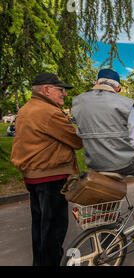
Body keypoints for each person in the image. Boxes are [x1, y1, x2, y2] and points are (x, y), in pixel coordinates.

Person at [71, 69, 134, 228]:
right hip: (123, 162)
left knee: (107, 196)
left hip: (95, 162)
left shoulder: (78, 102)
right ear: (117, 88)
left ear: (97, 83)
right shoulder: (125, 104)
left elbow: (80, 132)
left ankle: (105, 224)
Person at [10, 73, 83, 266]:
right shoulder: (49, 112)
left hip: (34, 176)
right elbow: (76, 141)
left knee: (40, 227)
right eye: (60, 90)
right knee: (54, 230)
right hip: (50, 176)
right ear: (46, 90)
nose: (63, 94)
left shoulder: (27, 108)